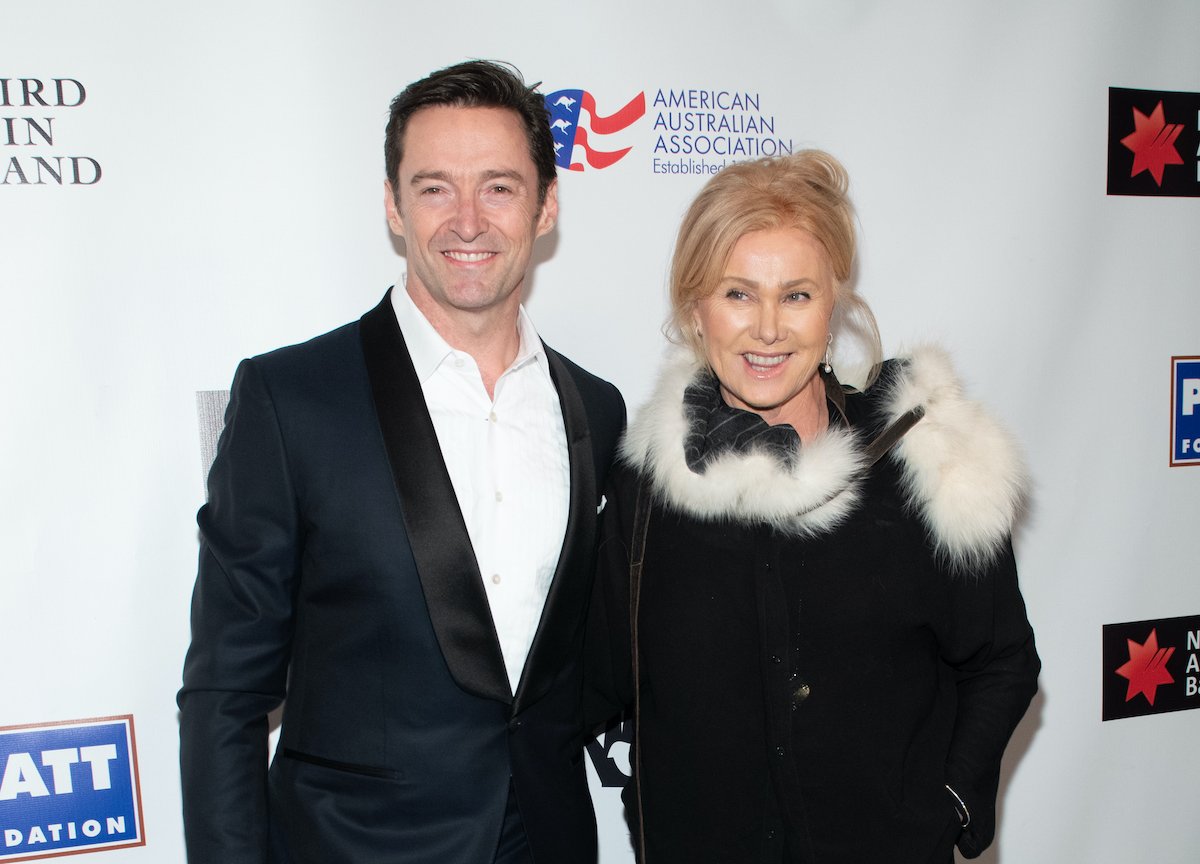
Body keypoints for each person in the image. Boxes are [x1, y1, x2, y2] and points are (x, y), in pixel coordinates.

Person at [178, 60, 625, 864]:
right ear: (393, 204)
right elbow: (225, 693)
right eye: (434, 188)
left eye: (498, 187)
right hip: (351, 847)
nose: (467, 221)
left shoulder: (595, 407)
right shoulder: (293, 400)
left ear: (546, 206)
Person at [587, 150, 1039, 863]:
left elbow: (1002, 658)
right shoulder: (647, 490)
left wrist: (946, 804)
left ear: (833, 307)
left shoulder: (922, 462)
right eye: (738, 294)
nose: (768, 328)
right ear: (696, 310)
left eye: (796, 295)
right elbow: (594, 684)